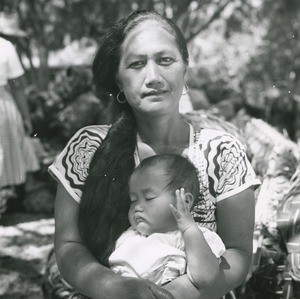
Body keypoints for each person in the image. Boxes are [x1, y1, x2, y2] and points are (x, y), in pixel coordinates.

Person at [48, 9, 260, 299]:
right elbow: (69, 245)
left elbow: (238, 254)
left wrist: (180, 291)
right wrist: (118, 289)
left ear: (185, 68)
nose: (153, 77)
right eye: (136, 64)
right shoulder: (88, 147)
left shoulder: (222, 153)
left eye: (165, 60)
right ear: (119, 80)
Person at [109, 154, 226, 288]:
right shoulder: (130, 237)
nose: (137, 207)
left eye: (149, 198)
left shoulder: (191, 238)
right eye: (133, 200)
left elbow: (204, 277)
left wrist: (189, 230)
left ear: (184, 202)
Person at [0, 12, 39, 215]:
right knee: (4, 152)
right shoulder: (6, 48)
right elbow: (17, 87)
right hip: (2, 103)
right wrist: (25, 117)